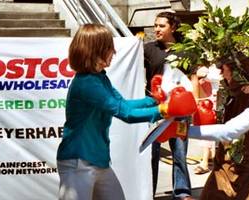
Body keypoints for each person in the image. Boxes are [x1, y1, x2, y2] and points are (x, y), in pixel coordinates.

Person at [56, 24, 197, 200]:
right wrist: (165, 109)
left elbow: (123, 104)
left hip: (97, 159)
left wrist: (154, 100)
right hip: (78, 161)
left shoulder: (99, 78)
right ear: (97, 50)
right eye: (109, 48)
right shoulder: (87, 83)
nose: (113, 53)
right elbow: (125, 113)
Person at [161, 55, 249, 199]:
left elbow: (229, 131)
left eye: (224, 69)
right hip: (225, 170)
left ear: (240, 72)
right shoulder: (233, 96)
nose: (221, 74)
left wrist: (179, 129)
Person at [144, 11, 195, 200]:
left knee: (180, 152)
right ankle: (148, 192)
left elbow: (194, 77)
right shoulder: (148, 49)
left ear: (173, 27)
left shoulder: (187, 50)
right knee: (151, 154)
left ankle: (182, 192)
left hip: (180, 112)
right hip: (155, 110)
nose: (156, 29)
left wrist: (194, 105)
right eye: (155, 25)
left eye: (161, 26)